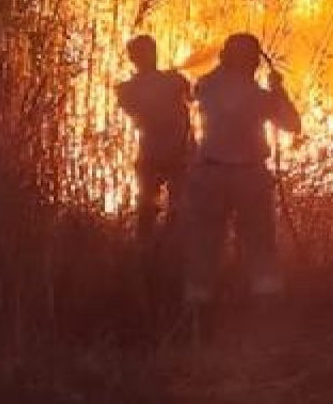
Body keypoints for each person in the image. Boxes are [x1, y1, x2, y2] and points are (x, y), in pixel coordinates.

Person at [184, 33, 301, 309]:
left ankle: (197, 313)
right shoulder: (260, 98)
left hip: (210, 175)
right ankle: (266, 309)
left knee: (204, 245)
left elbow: (198, 88)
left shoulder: (206, 88)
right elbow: (292, 124)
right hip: (250, 178)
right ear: (253, 62)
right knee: (260, 245)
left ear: (225, 58)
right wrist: (279, 90)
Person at [115, 34, 195, 244]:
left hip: (160, 154)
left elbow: (191, 96)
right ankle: (160, 249)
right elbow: (192, 97)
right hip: (169, 154)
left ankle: (154, 249)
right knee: (168, 206)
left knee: (155, 207)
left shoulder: (130, 88)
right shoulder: (170, 81)